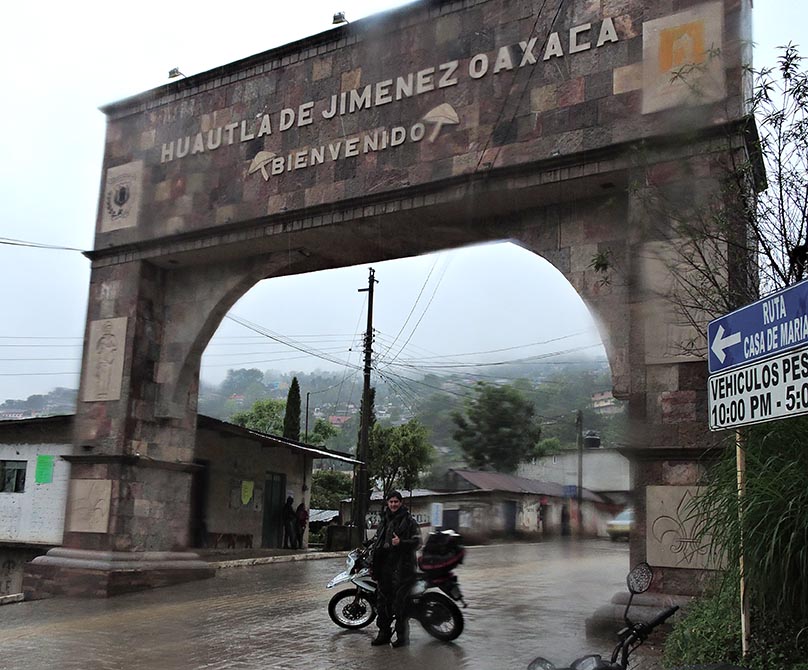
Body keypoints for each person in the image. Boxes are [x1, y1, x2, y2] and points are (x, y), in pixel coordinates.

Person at [370, 490, 421, 648]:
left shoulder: (409, 521)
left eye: (396, 502)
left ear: (401, 503)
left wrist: (402, 543)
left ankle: (402, 638)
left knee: (400, 605)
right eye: (391, 502)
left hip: (403, 568)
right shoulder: (384, 520)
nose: (393, 504)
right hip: (385, 567)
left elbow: (418, 542)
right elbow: (378, 539)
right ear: (387, 503)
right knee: (382, 602)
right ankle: (383, 634)